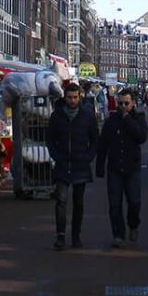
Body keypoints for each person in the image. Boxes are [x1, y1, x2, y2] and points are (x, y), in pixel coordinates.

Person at [47, 81, 99, 249]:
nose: (72, 101)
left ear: (80, 97)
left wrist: (88, 157)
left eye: (75, 97)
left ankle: (76, 236)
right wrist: (56, 156)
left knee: (79, 203)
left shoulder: (87, 115)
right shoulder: (57, 116)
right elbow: (50, 139)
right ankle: (60, 236)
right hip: (63, 164)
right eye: (69, 97)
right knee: (61, 200)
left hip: (80, 164)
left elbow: (95, 140)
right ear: (65, 97)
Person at [96, 89, 148, 248]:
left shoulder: (138, 118)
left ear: (133, 103)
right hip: (114, 167)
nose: (123, 106)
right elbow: (103, 144)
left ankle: (133, 224)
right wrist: (100, 166)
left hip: (132, 167)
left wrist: (127, 120)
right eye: (120, 103)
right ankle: (118, 234)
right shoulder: (111, 121)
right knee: (114, 203)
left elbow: (142, 137)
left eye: (126, 103)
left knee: (134, 201)